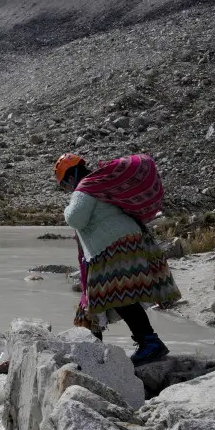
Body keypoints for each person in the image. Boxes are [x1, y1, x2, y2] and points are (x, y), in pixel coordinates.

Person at [54, 153, 180, 365]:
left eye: (64, 185)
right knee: (111, 297)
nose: (66, 189)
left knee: (117, 294)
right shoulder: (98, 184)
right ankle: (106, 351)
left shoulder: (84, 188)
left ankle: (148, 344)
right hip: (125, 243)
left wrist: (67, 207)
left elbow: (76, 218)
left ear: (69, 177)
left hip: (114, 246)